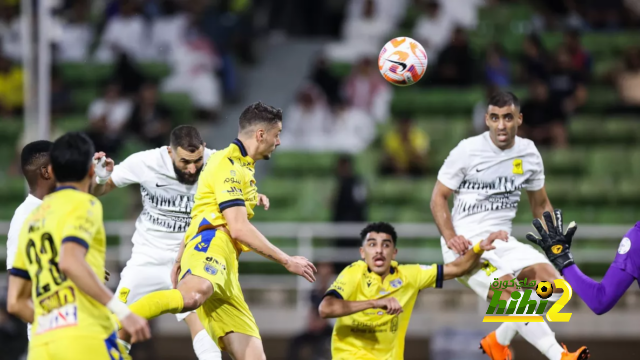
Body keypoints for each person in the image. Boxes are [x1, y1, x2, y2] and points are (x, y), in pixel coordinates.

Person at [117, 102, 317, 360]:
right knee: (192, 296)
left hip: (227, 266)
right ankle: (117, 322)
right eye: (276, 134)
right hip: (211, 246)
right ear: (260, 135)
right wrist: (287, 260)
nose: (278, 141)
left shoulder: (243, 166)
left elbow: (199, 211)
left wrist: (179, 258)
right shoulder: (228, 164)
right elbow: (238, 228)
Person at [429, 91, 589, 360]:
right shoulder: (467, 150)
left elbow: (540, 204)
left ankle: (498, 340)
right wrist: (450, 237)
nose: (501, 125)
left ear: (519, 119)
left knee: (555, 286)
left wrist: (554, 241)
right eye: (494, 118)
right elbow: (438, 198)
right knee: (514, 297)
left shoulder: (528, 153)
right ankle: (559, 356)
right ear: (486, 120)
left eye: (507, 117)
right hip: (468, 245)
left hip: (503, 241)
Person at [93, 125, 269, 359]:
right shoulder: (144, 162)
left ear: (204, 149)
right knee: (115, 327)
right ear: (170, 152)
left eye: (196, 160)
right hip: (147, 259)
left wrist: (252, 196)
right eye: (185, 161)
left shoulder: (217, 162)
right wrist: (101, 177)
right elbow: (100, 189)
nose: (192, 168)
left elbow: (235, 190)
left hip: (191, 257)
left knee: (204, 327)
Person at [6, 132, 150, 360]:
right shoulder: (80, 205)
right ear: (47, 171)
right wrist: (122, 312)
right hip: (83, 336)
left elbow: (15, 301)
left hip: (44, 344)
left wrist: (83, 271)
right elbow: (69, 262)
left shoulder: (34, 218)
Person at [318, 222, 509, 360]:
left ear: (394, 253)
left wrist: (478, 248)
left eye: (385, 245)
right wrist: (375, 302)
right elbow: (326, 309)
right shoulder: (354, 273)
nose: (379, 251)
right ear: (362, 252)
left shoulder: (409, 275)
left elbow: (457, 269)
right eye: (372, 245)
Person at [527, 210, 640, 316]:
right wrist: (564, 260)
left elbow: (601, 301)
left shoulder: (637, 238)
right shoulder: (637, 239)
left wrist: (564, 260)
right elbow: (601, 301)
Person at [6, 141, 57, 342]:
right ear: (46, 172)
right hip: (49, 335)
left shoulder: (59, 208)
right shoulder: (24, 218)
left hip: (76, 328)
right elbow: (17, 296)